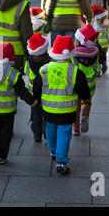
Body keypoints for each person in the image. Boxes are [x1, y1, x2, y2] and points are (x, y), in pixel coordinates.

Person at [33, 35, 90, 174]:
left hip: (48, 110)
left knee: (51, 130)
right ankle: (61, 161)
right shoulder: (75, 71)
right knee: (64, 134)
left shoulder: (44, 69)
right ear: (70, 54)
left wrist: (38, 100)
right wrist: (85, 99)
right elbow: (84, 91)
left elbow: (36, 87)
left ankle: (53, 151)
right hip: (67, 111)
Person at [0, 43, 38, 166]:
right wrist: (33, 102)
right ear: (12, 58)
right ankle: (1, 156)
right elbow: (22, 92)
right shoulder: (14, 74)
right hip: (7, 111)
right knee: (5, 133)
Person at [72, 24, 100, 136]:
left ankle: (76, 128)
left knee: (76, 106)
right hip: (90, 84)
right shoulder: (95, 53)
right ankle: (85, 117)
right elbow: (96, 67)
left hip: (77, 84)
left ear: (78, 41)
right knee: (87, 103)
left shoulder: (73, 54)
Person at [24, 33, 51, 142]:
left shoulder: (28, 62)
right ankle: (45, 126)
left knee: (35, 112)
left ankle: (36, 133)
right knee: (46, 113)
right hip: (46, 93)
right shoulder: (50, 61)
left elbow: (26, 73)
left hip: (33, 94)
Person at [92, 5, 109, 74]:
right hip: (104, 46)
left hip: (95, 44)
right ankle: (104, 68)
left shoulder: (94, 24)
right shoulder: (107, 26)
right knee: (103, 57)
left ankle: (98, 71)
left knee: (97, 57)